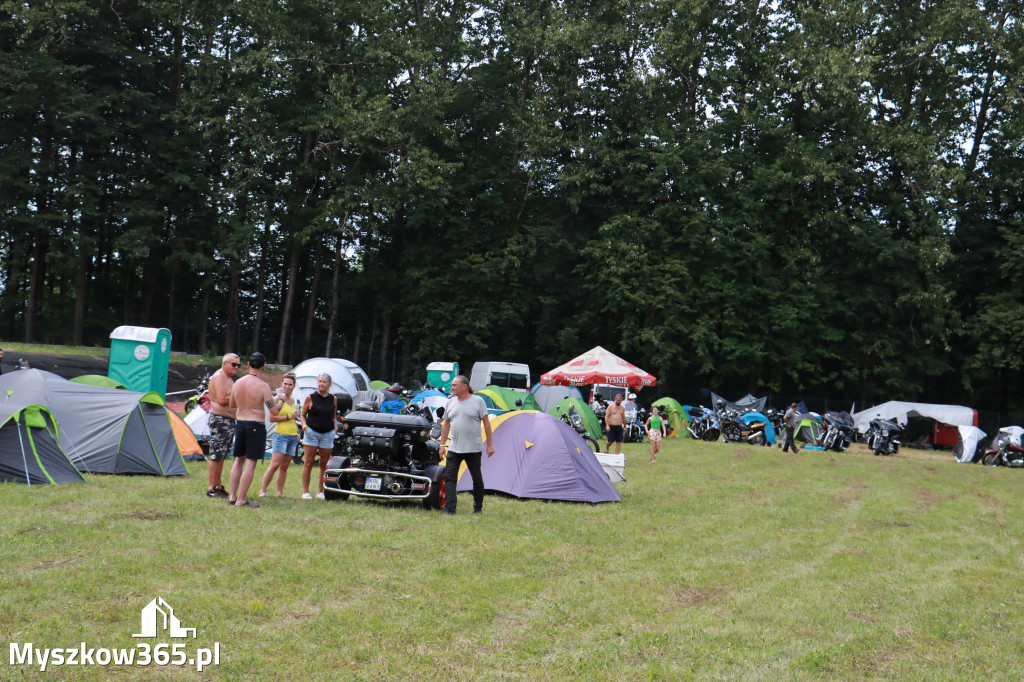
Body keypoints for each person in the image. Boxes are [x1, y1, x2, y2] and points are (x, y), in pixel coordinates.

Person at [227, 352, 281, 508]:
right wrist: (280, 400)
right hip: (255, 426)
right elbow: (274, 411)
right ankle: (241, 500)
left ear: (248, 365)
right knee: (250, 462)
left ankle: (232, 496)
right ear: (263, 366)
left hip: (240, 423)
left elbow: (232, 404)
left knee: (238, 460)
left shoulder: (237, 383)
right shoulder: (263, 386)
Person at [438, 375, 493, 515]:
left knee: (477, 478)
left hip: (473, 448)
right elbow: (446, 425)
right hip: (455, 448)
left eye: (454, 385)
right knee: (450, 479)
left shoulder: (478, 401)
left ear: (464, 387)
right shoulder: (450, 402)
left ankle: (478, 508)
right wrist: (442, 444)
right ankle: (450, 509)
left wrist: (490, 445)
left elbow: (487, 423)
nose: (452, 387)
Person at [258, 372, 300, 498]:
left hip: (293, 436)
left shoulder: (292, 401)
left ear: (294, 386)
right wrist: (288, 416)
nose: (287, 387)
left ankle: (279, 492)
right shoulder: (277, 399)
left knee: (285, 466)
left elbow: (293, 419)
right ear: (281, 384)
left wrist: (297, 431)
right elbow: (272, 418)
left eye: (290, 384)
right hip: (281, 435)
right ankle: (263, 491)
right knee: (275, 464)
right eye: (285, 384)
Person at [205, 353, 240, 498]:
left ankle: (218, 486)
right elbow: (221, 400)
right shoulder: (220, 376)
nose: (236, 368)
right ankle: (212, 487)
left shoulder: (228, 378)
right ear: (224, 363)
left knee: (221, 455)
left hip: (227, 420)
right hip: (220, 420)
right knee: (216, 455)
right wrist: (240, 398)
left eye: (238, 365)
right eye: (233, 364)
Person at [300, 373, 338, 500]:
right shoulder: (310, 397)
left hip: (327, 433)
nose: (321, 384)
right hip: (312, 433)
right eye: (320, 381)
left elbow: (334, 415)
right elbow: (302, 415)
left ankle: (320, 491)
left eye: (324, 382)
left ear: (329, 384)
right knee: (309, 462)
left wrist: (335, 426)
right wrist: (305, 427)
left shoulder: (333, 399)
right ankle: (306, 492)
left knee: (324, 463)